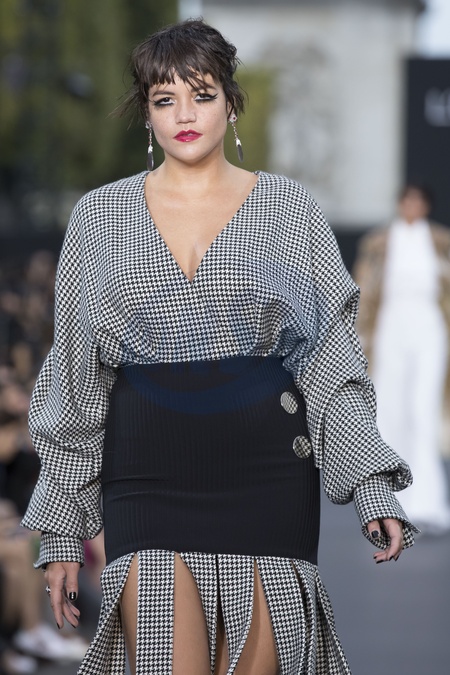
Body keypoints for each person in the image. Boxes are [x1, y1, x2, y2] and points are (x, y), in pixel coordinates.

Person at [21, 19, 418, 675]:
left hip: (265, 474)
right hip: (145, 474)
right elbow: (74, 377)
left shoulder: (289, 209)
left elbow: (330, 361)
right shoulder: (100, 216)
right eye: (164, 98)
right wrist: (63, 526)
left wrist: (371, 486)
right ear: (146, 112)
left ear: (230, 102)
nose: (184, 114)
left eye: (201, 94)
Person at [354, 183, 450, 534]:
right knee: (389, 411)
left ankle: (428, 503)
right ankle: (390, 505)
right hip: (390, 328)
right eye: (406, 200)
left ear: (426, 205)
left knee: (423, 410)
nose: (411, 206)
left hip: (430, 328)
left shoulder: (441, 242)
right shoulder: (378, 243)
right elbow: (362, 290)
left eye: (417, 201)